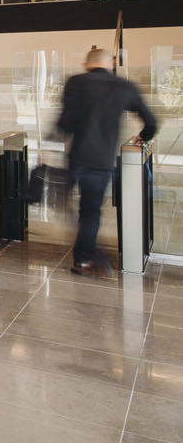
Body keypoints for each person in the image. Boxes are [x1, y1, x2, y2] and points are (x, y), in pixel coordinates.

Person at [57, 48, 158, 276]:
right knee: (90, 211)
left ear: (86, 64)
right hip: (101, 161)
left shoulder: (75, 82)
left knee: (66, 203)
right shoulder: (124, 86)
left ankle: (89, 249)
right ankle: (84, 260)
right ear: (111, 63)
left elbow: (64, 123)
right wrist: (143, 137)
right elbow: (151, 121)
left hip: (76, 157)